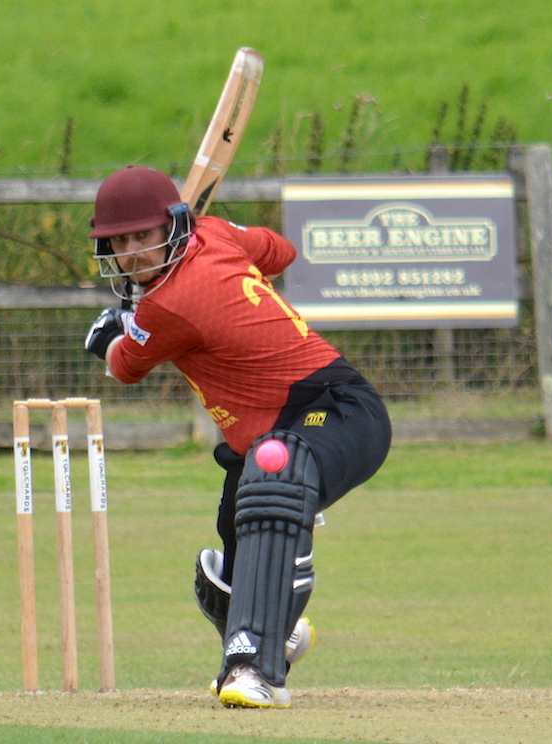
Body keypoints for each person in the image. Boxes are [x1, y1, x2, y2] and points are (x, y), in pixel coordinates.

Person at [84, 166, 391, 708]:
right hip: (264, 435)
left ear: (171, 227)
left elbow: (124, 366)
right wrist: (221, 237)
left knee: (278, 471)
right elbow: (279, 252)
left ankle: (255, 669)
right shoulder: (215, 234)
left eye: (143, 237)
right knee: (223, 575)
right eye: (120, 240)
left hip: (335, 409)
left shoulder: (166, 306)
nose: (131, 252)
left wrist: (112, 330)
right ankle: (284, 632)